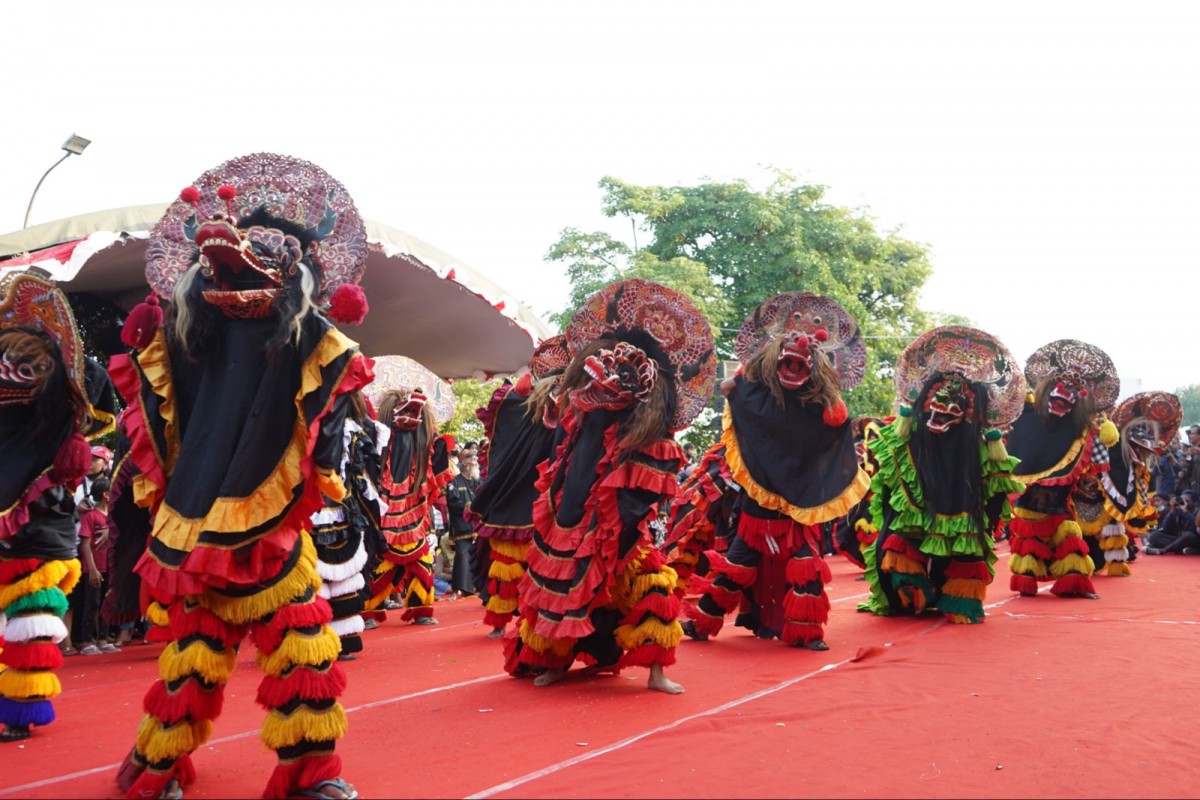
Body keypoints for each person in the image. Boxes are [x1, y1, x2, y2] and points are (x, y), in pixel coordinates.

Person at [111, 153, 371, 800]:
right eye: (221, 262)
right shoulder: (189, 338)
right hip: (203, 525)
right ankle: (158, 769)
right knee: (195, 663)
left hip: (270, 531)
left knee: (301, 653)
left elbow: (326, 361)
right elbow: (157, 370)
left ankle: (308, 776)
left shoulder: (303, 336)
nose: (235, 270)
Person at [504, 278, 717, 693]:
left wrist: (626, 528)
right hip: (571, 518)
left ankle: (657, 672)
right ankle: (556, 661)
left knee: (652, 588)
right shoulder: (579, 417)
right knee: (559, 584)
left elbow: (651, 490)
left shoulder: (651, 436)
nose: (600, 383)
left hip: (627, 531)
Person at [682, 292, 869, 649]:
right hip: (757, 510)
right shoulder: (756, 396)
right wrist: (735, 390)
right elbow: (738, 394)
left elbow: (836, 428)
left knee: (804, 568)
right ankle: (702, 623)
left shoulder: (820, 407)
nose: (796, 362)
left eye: (804, 360)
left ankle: (806, 633)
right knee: (737, 567)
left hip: (797, 510)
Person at [857, 326, 1026, 624]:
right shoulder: (906, 440)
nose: (943, 410)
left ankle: (958, 598)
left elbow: (996, 496)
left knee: (966, 547)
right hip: (920, 501)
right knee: (900, 541)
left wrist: (987, 523)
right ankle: (910, 592)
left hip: (962, 497)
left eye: (953, 407)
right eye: (938, 404)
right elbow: (885, 490)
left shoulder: (981, 448)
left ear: (967, 413)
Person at [0, 268, 93, 744]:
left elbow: (83, 393)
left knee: (29, 622)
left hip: (39, 538)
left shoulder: (56, 419)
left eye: (23, 367)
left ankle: (20, 710)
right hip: (22, 536)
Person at [1005, 339, 1121, 600]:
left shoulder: (1081, 427)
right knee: (1029, 542)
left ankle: (1073, 583)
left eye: (1072, 392)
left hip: (1060, 504)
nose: (1065, 395)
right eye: (1059, 390)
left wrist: (1102, 427)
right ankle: (1027, 581)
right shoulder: (1025, 415)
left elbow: (1098, 462)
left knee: (1069, 536)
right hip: (1030, 502)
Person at [470, 336, 569, 638]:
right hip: (532, 497)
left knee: (514, 563)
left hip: (532, 497)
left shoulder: (520, 400)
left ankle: (509, 622)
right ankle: (511, 621)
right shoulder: (522, 400)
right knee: (515, 562)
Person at [364, 356, 455, 627]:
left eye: (417, 413)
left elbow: (437, 472)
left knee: (422, 563)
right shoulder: (377, 438)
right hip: (385, 513)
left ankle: (422, 609)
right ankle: (370, 610)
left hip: (414, 513)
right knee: (380, 564)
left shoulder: (426, 443)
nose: (411, 418)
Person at [76, 477, 119, 656]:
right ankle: (87, 640)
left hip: (110, 566)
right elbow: (85, 543)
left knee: (106, 603)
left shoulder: (114, 516)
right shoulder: (91, 515)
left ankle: (103, 639)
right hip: (95, 566)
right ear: (106, 494)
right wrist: (92, 568)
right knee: (92, 603)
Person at [444, 452, 480, 598]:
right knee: (462, 556)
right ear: (464, 463)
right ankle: (457, 588)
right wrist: (469, 506)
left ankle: (475, 587)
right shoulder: (454, 483)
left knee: (478, 556)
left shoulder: (479, 481)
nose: (476, 462)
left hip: (477, 526)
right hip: (461, 526)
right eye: (472, 460)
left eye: (477, 460)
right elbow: (453, 504)